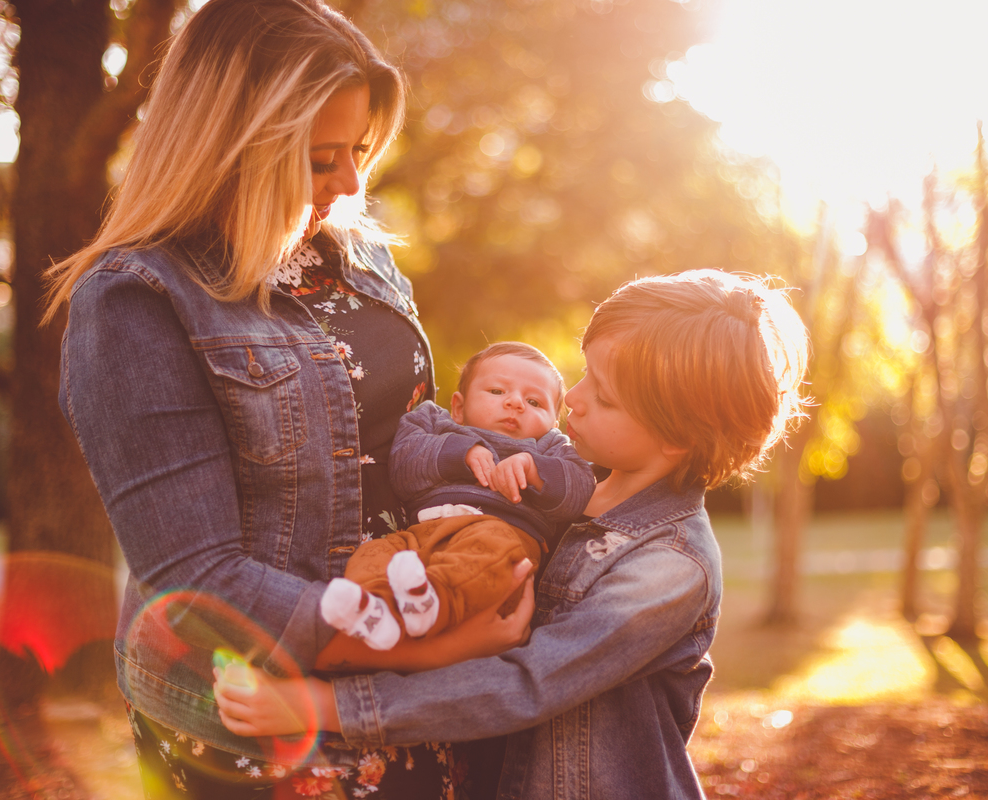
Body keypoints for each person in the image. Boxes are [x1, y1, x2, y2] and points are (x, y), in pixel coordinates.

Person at [46, 1, 529, 797]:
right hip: (262, 711)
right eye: (320, 158)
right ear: (230, 146)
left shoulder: (357, 252)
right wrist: (434, 649)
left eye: (360, 150)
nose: (351, 184)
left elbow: (403, 435)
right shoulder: (137, 297)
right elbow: (199, 581)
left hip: (407, 690)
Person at [214, 269, 810, 799]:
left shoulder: (670, 567)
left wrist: (326, 706)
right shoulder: (559, 495)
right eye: (584, 374)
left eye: (603, 396)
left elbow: (527, 682)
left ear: (676, 436)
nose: (573, 400)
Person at [319, 342, 595, 650]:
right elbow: (403, 467)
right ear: (459, 408)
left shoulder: (550, 447)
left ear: (554, 424)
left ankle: (431, 604)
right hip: (421, 536)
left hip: (501, 540)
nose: (516, 403)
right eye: (497, 391)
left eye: (534, 401)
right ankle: (377, 611)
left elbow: (581, 489)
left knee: (490, 548)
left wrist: (534, 469)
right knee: (376, 551)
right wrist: (458, 453)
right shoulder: (434, 423)